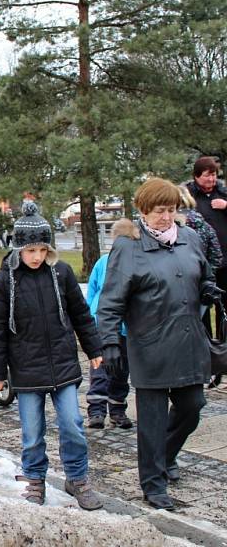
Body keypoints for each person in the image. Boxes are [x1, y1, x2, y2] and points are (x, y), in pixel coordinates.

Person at [98, 177, 218, 511]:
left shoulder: (191, 238)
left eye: (170, 210)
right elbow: (110, 301)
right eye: (157, 211)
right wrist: (108, 341)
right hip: (150, 345)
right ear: (142, 211)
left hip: (188, 341)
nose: (165, 217)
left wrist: (208, 288)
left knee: (192, 408)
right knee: (150, 422)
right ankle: (153, 484)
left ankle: (164, 456)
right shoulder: (128, 247)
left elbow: (204, 274)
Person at [0, 201, 104, 510]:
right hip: (25, 370)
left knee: (72, 424)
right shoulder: (3, 282)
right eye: (30, 251)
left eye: (42, 250)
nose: (37, 257)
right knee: (33, 431)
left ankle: (77, 478)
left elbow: (80, 314)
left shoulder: (61, 273)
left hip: (62, 365)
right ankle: (35, 478)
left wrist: (94, 349)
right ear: (18, 250)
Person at [85, 219, 137, 430]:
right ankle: (97, 410)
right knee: (101, 368)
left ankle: (116, 410)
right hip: (102, 325)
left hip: (124, 328)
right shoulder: (103, 262)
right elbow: (93, 290)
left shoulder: (135, 263)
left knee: (121, 371)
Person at [186, 156, 227, 339]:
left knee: (223, 306)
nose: (211, 180)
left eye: (214, 176)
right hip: (199, 262)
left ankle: (224, 345)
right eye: (206, 176)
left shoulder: (223, 192)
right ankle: (206, 345)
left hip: (225, 261)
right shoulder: (188, 196)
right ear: (196, 176)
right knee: (201, 306)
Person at [179, 183, 223, 336]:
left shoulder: (171, 228)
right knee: (204, 324)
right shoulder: (205, 226)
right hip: (200, 283)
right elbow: (217, 256)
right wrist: (206, 274)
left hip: (176, 286)